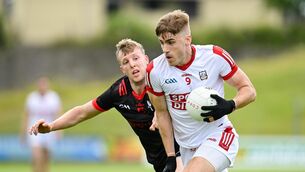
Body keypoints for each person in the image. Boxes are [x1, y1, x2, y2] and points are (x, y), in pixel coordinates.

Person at [29, 39, 183, 172]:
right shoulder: (118, 93)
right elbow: (82, 112)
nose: (132, 64)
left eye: (136, 58)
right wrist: (51, 127)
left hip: (182, 151)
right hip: (159, 161)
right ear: (122, 69)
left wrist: (161, 111)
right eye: (126, 62)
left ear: (146, 59)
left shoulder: (163, 80)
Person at [146, 10, 256, 172]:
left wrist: (230, 105)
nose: (165, 49)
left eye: (170, 42)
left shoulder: (214, 56)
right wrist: (171, 156)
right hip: (187, 148)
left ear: (187, 40)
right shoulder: (155, 71)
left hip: (220, 136)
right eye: (161, 43)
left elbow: (249, 90)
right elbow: (162, 113)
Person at [21, 77, 62, 172]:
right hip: (34, 130)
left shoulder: (53, 97)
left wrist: (59, 131)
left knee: (47, 157)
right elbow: (26, 115)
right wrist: (23, 132)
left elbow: (58, 114)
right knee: (37, 156)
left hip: (49, 129)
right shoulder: (31, 98)